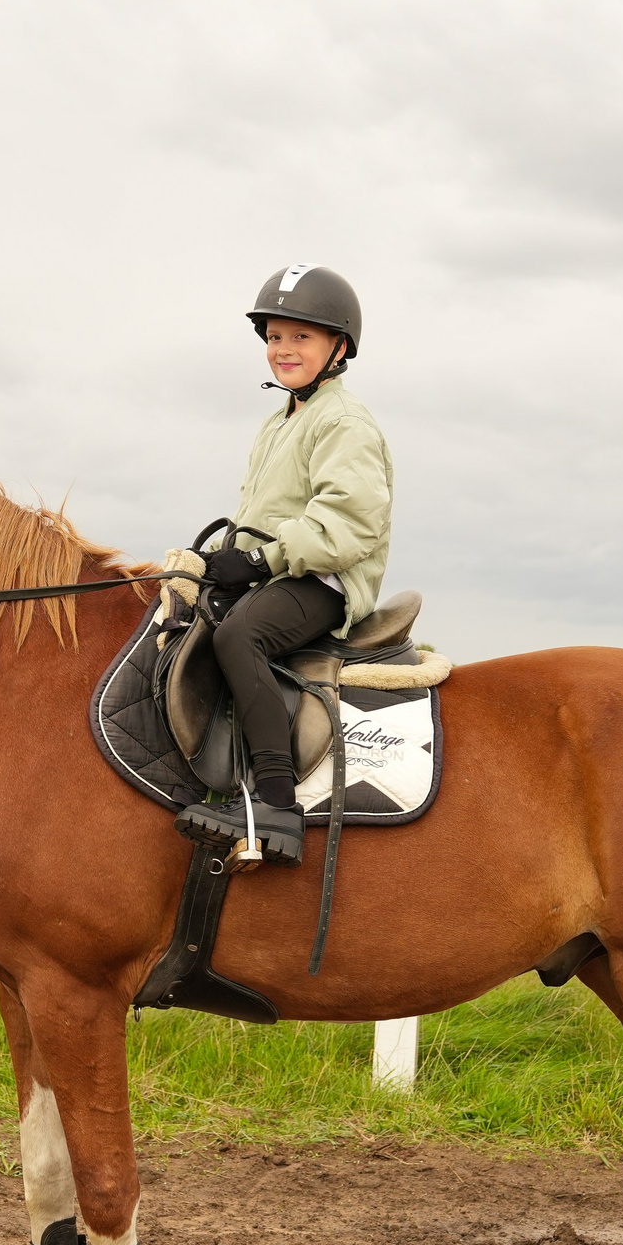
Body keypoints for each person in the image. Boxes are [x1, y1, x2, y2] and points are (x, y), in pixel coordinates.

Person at [180, 264, 393, 863]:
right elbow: (266, 512)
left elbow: (348, 524)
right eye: (275, 337)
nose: (283, 349)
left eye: (301, 337)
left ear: (339, 346)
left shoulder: (342, 421)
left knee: (241, 635)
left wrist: (258, 561)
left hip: (324, 580)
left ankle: (275, 804)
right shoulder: (281, 422)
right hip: (281, 570)